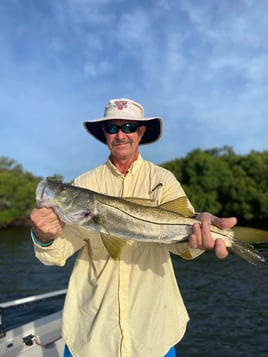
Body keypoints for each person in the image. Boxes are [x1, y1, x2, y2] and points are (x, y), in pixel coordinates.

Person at [30, 98, 237, 357]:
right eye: (112, 128)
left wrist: (200, 234)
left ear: (140, 132)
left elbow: (183, 248)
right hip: (93, 333)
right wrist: (44, 236)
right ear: (104, 134)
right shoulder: (84, 183)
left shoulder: (163, 179)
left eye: (128, 126)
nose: (120, 135)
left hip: (152, 332)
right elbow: (59, 251)